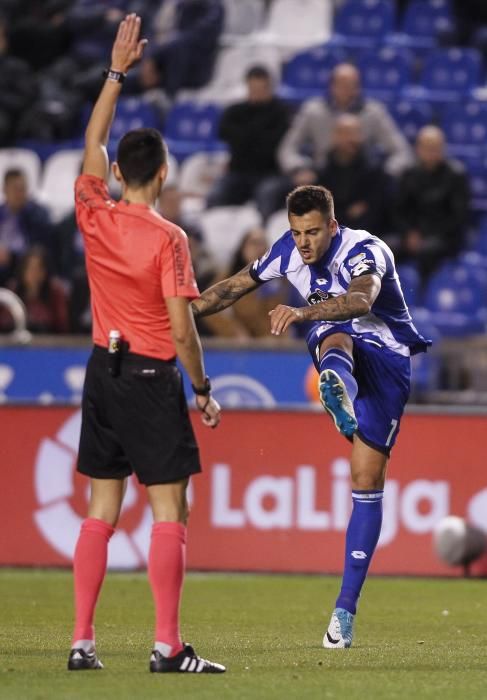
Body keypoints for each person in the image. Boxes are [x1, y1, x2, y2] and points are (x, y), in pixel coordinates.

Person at [192, 184, 431, 649]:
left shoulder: (365, 250)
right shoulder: (287, 253)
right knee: (329, 330)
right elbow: (232, 288)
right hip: (335, 337)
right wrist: (182, 312)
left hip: (388, 357)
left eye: (314, 232)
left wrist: (301, 310)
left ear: (333, 226)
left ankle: (345, 608)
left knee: (367, 480)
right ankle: (337, 383)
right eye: (297, 232)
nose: (304, 243)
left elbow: (361, 301)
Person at [68, 14, 225, 674]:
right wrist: (204, 388)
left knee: (102, 508)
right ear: (161, 172)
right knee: (169, 506)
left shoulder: (93, 213)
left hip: (101, 371)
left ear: (118, 174)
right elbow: (182, 327)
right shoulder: (169, 240)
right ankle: (166, 645)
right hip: (153, 376)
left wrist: (114, 74)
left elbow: (92, 138)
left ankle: (82, 641)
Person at [258, 63, 412, 218]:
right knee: (271, 190)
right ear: (331, 85)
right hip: (320, 176)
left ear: (359, 87)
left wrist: (384, 175)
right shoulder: (312, 110)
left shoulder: (373, 112)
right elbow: (287, 149)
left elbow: (402, 151)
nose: (346, 89)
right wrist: (299, 168)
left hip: (360, 179)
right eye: (341, 84)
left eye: (351, 84)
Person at [206, 65, 290, 219]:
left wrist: (244, 137)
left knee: (266, 195)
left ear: (269, 87)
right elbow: (223, 133)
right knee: (216, 195)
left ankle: (261, 238)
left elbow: (271, 144)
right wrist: (256, 136)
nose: (257, 93)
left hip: (270, 173)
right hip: (238, 172)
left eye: (261, 88)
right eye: (253, 88)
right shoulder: (235, 111)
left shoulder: (281, 112)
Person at [393, 125, 470, 285]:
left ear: (443, 149)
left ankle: (423, 297)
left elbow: (458, 216)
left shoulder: (456, 175)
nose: (430, 152)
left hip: (444, 236)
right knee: (384, 249)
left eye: (435, 148)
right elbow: (399, 210)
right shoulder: (409, 174)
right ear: (418, 149)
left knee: (427, 251)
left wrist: (426, 235)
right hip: (413, 234)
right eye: (426, 147)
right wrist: (408, 233)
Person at [317, 114, 392, 237]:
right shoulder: (324, 169)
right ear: (334, 137)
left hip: (366, 234)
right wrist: (347, 213)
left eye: (354, 133)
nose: (350, 139)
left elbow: (374, 210)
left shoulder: (374, 169)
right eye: (344, 133)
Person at [0, 168, 52, 285]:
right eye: (15, 189)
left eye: (23, 189)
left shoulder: (37, 215)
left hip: (22, 265)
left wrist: (11, 256)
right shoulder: (1, 213)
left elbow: (39, 248)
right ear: (5, 190)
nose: (20, 193)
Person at [0, 246, 68, 333]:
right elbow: (3, 322)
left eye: (38, 269)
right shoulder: (12, 293)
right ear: (23, 270)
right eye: (30, 268)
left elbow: (62, 326)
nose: (34, 273)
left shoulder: (55, 293)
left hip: (49, 343)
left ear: (45, 272)